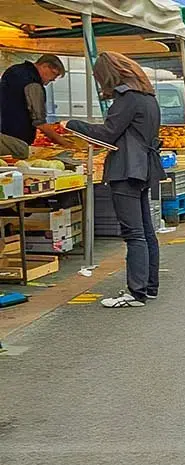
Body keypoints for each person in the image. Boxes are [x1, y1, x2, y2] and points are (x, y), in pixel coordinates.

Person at [64, 52, 165, 308]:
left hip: (126, 169)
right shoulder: (148, 98)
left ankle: (136, 292)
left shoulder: (126, 98)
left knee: (133, 233)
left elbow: (108, 133)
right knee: (145, 232)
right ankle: (148, 286)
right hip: (144, 167)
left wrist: (73, 124)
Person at [0, 54, 70, 147]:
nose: (53, 79)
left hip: (4, 134)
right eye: (55, 74)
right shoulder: (33, 83)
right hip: (19, 139)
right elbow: (40, 122)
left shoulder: (14, 70)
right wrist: (64, 143)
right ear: (45, 66)